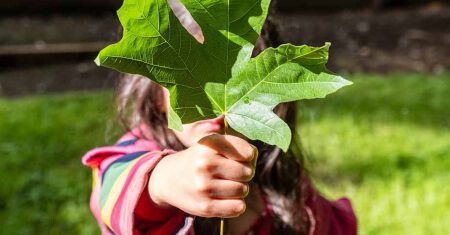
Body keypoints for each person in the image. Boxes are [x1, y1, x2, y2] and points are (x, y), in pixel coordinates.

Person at [82, 1, 357, 234]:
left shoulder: (277, 176)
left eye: (238, 79)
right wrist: (163, 182)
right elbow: (115, 188)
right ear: (156, 95)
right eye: (192, 81)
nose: (215, 104)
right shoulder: (137, 152)